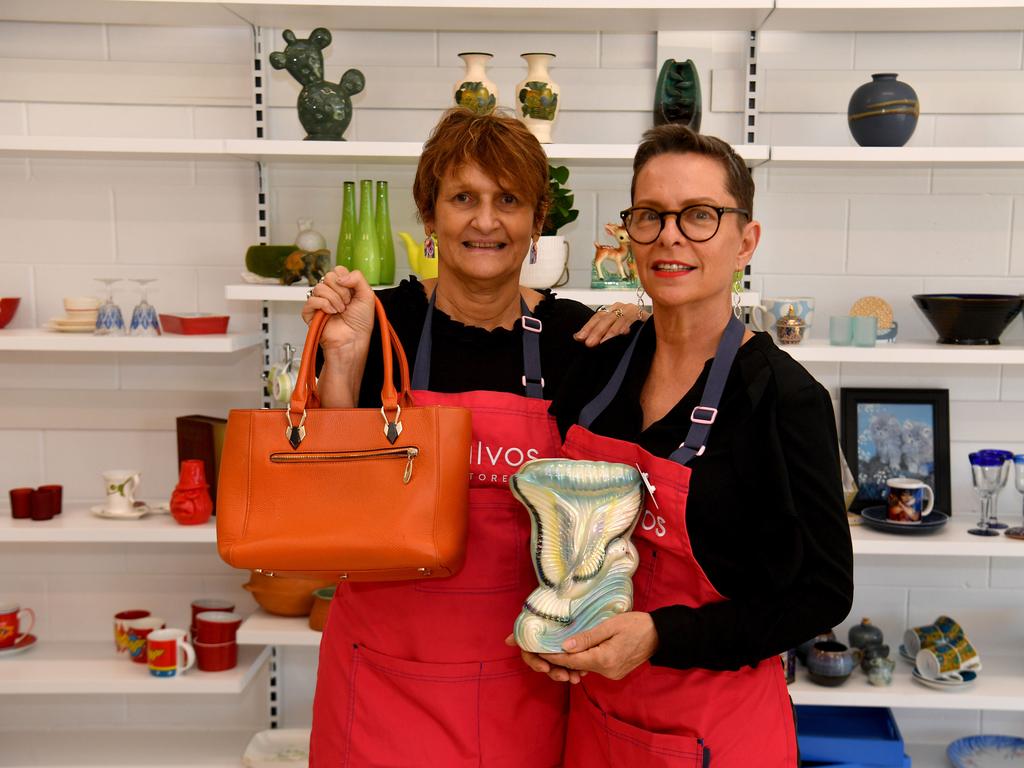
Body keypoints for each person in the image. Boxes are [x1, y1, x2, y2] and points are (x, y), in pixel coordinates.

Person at [300, 107, 640, 767]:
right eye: (463, 199)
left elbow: (608, 517)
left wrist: (643, 328)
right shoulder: (377, 320)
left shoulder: (582, 340)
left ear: (538, 220)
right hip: (379, 682)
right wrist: (341, 362)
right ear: (429, 216)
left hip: (527, 680)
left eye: (507, 200)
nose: (485, 222)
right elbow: (332, 504)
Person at [520, 124, 854, 767]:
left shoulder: (783, 398)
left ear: (745, 241)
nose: (670, 236)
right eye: (650, 216)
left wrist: (659, 636)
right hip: (593, 719)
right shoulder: (596, 365)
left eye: (699, 215)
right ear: (630, 235)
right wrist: (551, 625)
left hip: (716, 729)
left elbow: (823, 594)